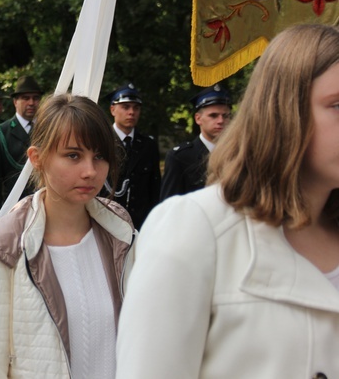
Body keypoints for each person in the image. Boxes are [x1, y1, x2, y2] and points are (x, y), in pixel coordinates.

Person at [116, 24, 339, 378]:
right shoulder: (193, 227)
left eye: (224, 113)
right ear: (284, 111)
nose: (219, 119)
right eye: (337, 105)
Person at [0, 93, 134, 378]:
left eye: (99, 156)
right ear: (37, 158)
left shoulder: (122, 233)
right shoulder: (0, 249)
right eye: (73, 155)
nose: (90, 171)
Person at [100, 83, 160, 229]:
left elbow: (155, 189)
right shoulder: (102, 142)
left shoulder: (148, 145)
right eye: (125, 107)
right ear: (113, 109)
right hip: (106, 220)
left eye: (136, 108)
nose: (132, 112)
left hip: (140, 223)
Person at [159, 84, 232, 200]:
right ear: (198, 118)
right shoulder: (180, 157)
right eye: (213, 116)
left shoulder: (237, 154)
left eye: (226, 116)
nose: (221, 121)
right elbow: (169, 206)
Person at [0, 75, 43, 209]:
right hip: (13, 207)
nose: (31, 103)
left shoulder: (47, 129)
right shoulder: (0, 132)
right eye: (25, 98)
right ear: (15, 101)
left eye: (35, 98)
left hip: (44, 205)